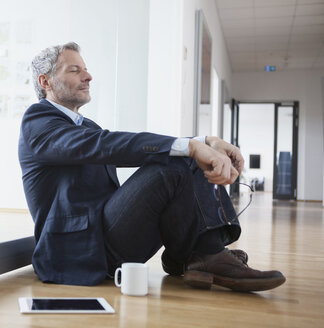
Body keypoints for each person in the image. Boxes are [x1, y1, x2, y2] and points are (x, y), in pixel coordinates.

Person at [18, 42, 285, 292]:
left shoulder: (87, 127)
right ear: (45, 82)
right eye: (75, 70)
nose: (88, 77)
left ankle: (196, 256)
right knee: (174, 161)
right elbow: (106, 144)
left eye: (86, 70)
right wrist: (191, 146)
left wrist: (205, 142)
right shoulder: (38, 121)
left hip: (105, 238)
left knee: (178, 156)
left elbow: (111, 141)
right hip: (75, 252)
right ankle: (203, 255)